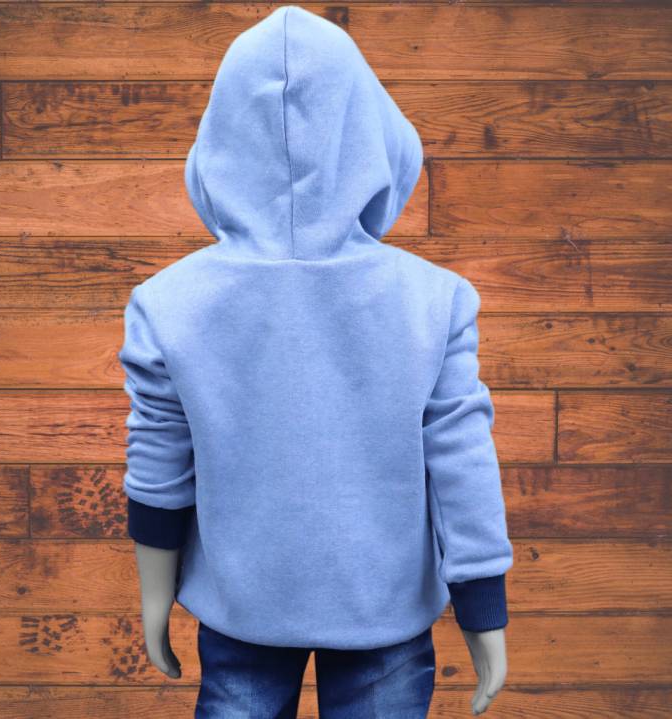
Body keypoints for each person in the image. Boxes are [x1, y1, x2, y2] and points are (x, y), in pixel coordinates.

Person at [118, 5, 514, 717]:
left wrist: (154, 597)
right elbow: (461, 462)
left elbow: (158, 460)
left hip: (240, 602)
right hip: (384, 606)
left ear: (220, 140)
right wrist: (482, 608)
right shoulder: (433, 300)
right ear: (373, 134)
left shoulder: (169, 302)